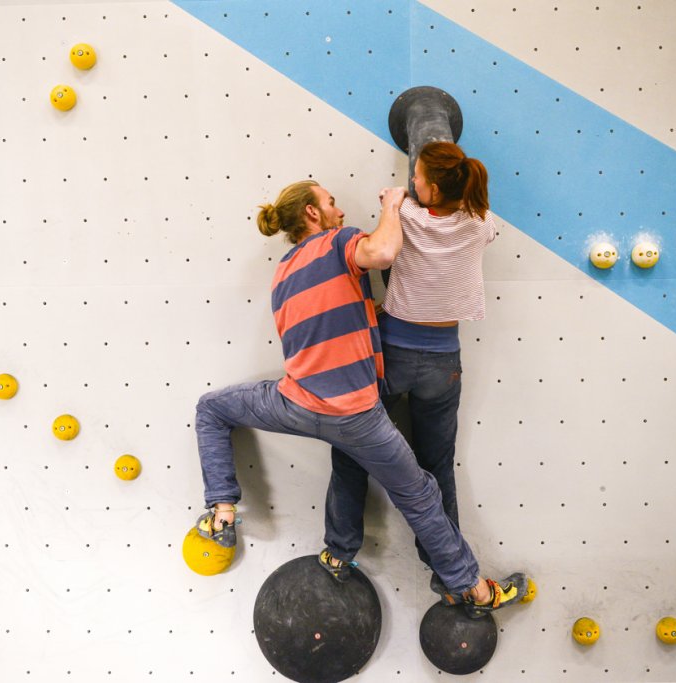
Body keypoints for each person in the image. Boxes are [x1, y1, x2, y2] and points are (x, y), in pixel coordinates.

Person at [193, 179, 522, 615]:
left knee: (211, 409)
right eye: (331, 203)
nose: (340, 210)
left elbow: (331, 319)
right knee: (421, 494)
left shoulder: (284, 271)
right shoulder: (337, 243)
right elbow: (384, 252)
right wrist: (392, 204)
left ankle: (222, 514)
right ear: (312, 214)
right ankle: (474, 589)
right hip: (353, 413)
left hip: (295, 404)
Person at [325, 141, 514, 606]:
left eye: (419, 178)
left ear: (428, 187)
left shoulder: (405, 215)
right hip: (443, 362)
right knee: (436, 467)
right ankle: (444, 575)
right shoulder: (479, 224)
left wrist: (394, 202)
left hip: (391, 355)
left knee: (353, 450)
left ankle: (339, 552)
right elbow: (483, 220)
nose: (412, 181)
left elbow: (387, 237)